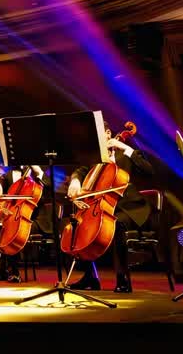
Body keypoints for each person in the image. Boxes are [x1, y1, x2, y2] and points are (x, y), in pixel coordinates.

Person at [64, 124, 154, 293]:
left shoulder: (125, 154)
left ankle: (123, 279)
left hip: (130, 208)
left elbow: (149, 170)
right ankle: (91, 277)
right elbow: (80, 171)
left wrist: (124, 146)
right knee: (78, 226)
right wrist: (75, 181)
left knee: (117, 224)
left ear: (107, 134)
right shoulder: (96, 159)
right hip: (104, 207)